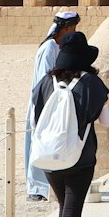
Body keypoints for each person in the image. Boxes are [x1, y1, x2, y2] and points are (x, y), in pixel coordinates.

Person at [30, 31, 109, 217]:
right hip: (79, 158)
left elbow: (35, 117)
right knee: (71, 212)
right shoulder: (90, 83)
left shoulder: (46, 82)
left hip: (49, 157)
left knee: (64, 208)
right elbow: (106, 122)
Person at [27, 10, 81, 200]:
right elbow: (45, 79)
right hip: (44, 100)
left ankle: (48, 185)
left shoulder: (57, 46)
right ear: (65, 29)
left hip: (54, 100)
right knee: (40, 141)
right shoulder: (49, 47)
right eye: (72, 29)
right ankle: (36, 188)